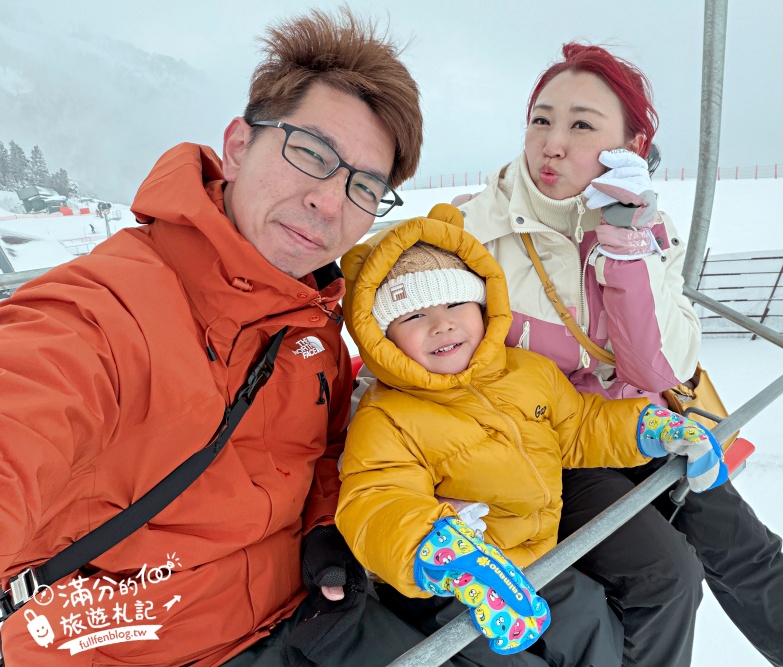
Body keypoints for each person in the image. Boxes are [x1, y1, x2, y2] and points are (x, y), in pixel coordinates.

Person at [0, 9, 449, 667]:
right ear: (238, 146)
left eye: (363, 187)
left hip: (306, 614)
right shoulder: (102, 312)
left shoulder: (317, 323)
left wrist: (325, 525)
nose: (330, 202)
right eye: (312, 153)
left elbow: (324, 449)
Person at [455, 42, 783, 667]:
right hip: (556, 446)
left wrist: (626, 243)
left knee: (750, 556)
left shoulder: (646, 229)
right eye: (541, 119)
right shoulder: (470, 234)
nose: (552, 142)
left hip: (648, 420)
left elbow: (655, 366)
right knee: (662, 580)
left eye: (581, 124)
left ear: (631, 147)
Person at [335, 205, 727, 666]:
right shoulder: (387, 417)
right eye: (414, 316)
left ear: (484, 306)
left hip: (535, 549)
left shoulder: (527, 371)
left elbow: (580, 426)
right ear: (382, 337)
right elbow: (376, 498)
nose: (441, 324)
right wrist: (438, 547)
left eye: (455, 303)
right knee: (563, 633)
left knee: (609, 607)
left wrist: (650, 427)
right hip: (463, 579)